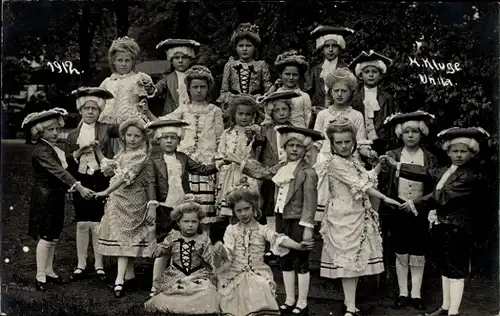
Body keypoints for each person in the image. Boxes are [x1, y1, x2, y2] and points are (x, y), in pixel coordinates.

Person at [226, 126, 323, 315]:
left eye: (299, 146)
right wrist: (239, 161)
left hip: (298, 220)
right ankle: (289, 299)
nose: (294, 149)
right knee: (284, 258)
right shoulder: (281, 167)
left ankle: (302, 302)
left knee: (301, 260)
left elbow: (310, 203)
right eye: (290, 146)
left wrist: (308, 227)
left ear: (305, 150)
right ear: (284, 148)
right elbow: (262, 172)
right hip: (281, 217)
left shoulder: (308, 172)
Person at [395, 126, 489, 316]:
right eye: (455, 151)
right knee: (445, 268)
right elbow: (425, 173)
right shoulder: (447, 170)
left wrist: (414, 202)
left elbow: (441, 195)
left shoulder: (468, 175)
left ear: (472, 153)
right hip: (442, 225)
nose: (459, 155)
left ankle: (453, 312)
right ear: (448, 151)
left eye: (464, 151)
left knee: (455, 270)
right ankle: (445, 308)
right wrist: (397, 165)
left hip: (457, 227)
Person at [318, 117, 402, 316]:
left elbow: (366, 178)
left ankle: (351, 305)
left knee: (355, 261)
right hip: (342, 214)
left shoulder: (353, 162)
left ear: (354, 141)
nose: (344, 145)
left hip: (358, 212)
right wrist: (385, 199)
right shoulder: (333, 163)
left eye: (347, 141)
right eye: (339, 142)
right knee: (348, 261)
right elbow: (360, 185)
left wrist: (380, 165)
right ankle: (349, 306)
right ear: (332, 144)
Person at [144, 118, 225, 296]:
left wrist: (217, 165)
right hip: (163, 207)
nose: (169, 141)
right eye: (165, 138)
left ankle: (181, 278)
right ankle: (155, 284)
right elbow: (150, 182)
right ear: (159, 139)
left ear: (179, 140)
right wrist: (151, 204)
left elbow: (201, 169)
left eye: (173, 138)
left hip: (181, 208)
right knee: (163, 245)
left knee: (183, 243)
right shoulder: (154, 159)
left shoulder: (182, 157)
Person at [212, 179, 314, 316]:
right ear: (234, 212)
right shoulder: (231, 230)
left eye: (246, 209)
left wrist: (298, 246)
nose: (243, 214)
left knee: (259, 288)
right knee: (234, 298)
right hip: (234, 272)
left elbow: (278, 239)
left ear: (254, 208)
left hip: (257, 271)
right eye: (239, 211)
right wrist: (220, 251)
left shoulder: (262, 229)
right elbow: (228, 252)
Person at [21, 107, 95, 291]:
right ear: (40, 132)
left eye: (57, 128)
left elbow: (63, 162)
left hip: (55, 197)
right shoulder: (41, 151)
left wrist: (78, 153)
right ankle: (40, 276)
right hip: (45, 198)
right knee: (46, 236)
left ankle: (49, 270)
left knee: (54, 236)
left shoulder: (51, 148)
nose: (55, 133)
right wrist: (78, 186)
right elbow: (58, 171)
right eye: (50, 129)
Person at [378, 111, 439, 310]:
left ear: (422, 134)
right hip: (398, 207)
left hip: (420, 209)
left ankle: (416, 294)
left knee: (418, 252)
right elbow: (385, 182)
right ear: (400, 135)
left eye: (415, 132)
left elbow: (433, 180)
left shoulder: (429, 157)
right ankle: (403, 292)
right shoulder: (393, 155)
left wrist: (424, 206)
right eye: (406, 132)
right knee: (400, 251)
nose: (411, 136)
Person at [159, 65, 225, 238]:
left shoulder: (215, 111)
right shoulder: (183, 109)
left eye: (202, 87)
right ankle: (185, 244)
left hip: (207, 165)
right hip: (187, 165)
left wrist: (217, 162)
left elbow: (220, 138)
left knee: (204, 209)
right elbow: (163, 122)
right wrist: (145, 113)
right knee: (186, 208)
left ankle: (205, 246)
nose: (198, 90)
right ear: (188, 89)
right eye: (195, 87)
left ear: (208, 88)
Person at [94, 117, 156, 298]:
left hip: (133, 200)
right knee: (121, 237)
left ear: (144, 138)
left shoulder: (141, 156)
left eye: (137, 136)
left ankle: (119, 280)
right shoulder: (121, 154)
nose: (133, 139)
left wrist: (106, 190)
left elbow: (125, 176)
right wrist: (97, 150)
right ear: (123, 136)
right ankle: (129, 276)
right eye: (129, 135)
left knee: (125, 238)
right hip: (117, 199)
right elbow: (108, 167)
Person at [66, 87, 118, 283]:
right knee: (81, 222)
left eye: (94, 109)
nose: (90, 112)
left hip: (99, 177)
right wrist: (80, 152)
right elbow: (68, 162)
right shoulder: (73, 135)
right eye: (86, 108)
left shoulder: (106, 128)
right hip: (81, 179)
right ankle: (81, 264)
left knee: (97, 222)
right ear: (80, 110)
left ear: (100, 111)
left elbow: (123, 129)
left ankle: (98, 264)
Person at [312, 67, 377, 222]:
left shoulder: (356, 115)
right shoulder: (323, 115)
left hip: (350, 161)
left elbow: (360, 144)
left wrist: (369, 154)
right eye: (336, 91)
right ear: (330, 93)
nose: (340, 94)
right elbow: (316, 143)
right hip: (326, 161)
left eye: (344, 91)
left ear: (350, 93)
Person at [144, 196, 221, 315]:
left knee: (206, 291)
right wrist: (151, 232)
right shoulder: (173, 236)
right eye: (186, 221)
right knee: (171, 292)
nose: (190, 225)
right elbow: (155, 253)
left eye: (194, 221)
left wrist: (217, 255)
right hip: (175, 276)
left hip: (197, 275)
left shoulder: (203, 238)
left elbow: (211, 260)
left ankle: (194, 304)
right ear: (178, 223)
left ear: (199, 222)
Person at [98, 36, 156, 154]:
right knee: (110, 150)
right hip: (109, 121)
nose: (123, 64)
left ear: (133, 61)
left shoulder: (138, 78)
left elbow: (150, 91)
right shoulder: (108, 81)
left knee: (129, 150)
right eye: (120, 60)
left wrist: (149, 87)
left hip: (130, 121)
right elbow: (98, 101)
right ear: (114, 61)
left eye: (127, 60)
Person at [217, 22, 273, 124]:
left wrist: (262, 98)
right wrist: (227, 103)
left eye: (248, 45)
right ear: (236, 47)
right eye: (241, 45)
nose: (244, 49)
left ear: (254, 47)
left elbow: (268, 89)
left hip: (255, 104)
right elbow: (224, 90)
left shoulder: (261, 65)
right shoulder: (230, 65)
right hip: (235, 105)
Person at [215, 94, 260, 219]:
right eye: (240, 114)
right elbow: (221, 152)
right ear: (234, 114)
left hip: (247, 173)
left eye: (248, 114)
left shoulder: (254, 133)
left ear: (253, 116)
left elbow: (257, 153)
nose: (244, 117)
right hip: (230, 173)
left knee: (246, 204)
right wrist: (222, 162)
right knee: (232, 206)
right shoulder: (227, 133)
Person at [305, 25, 355, 128]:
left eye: (334, 46)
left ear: (340, 48)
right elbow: (308, 91)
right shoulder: (315, 70)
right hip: (319, 114)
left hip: (341, 115)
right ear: (322, 49)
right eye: (327, 46)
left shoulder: (346, 69)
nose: (330, 50)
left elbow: (352, 93)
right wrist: (312, 108)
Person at [349, 50, 398, 155]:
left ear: (380, 75)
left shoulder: (387, 97)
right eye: (367, 72)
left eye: (374, 72)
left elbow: (391, 123)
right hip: (359, 140)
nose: (371, 75)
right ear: (361, 75)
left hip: (381, 142)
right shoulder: (354, 97)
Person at [153, 38, 201, 114]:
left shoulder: (197, 76)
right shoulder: (167, 78)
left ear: (190, 60)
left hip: (194, 113)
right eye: (176, 58)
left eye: (184, 57)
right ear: (171, 60)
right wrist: (150, 88)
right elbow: (156, 90)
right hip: (173, 114)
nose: (180, 61)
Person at [272, 50, 312, 128]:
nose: (291, 78)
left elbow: (308, 119)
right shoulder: (275, 95)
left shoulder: (304, 96)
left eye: (295, 75)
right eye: (287, 74)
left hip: (300, 132)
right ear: (280, 74)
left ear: (299, 76)